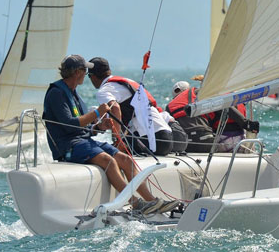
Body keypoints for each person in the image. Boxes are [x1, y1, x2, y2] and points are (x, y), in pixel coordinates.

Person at [43, 55, 178, 215]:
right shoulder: (56, 93)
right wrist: (97, 113)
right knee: (108, 161)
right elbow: (71, 124)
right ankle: (135, 203)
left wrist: (99, 126)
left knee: (125, 159)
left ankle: (152, 202)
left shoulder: (73, 93)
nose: (87, 73)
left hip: (82, 141)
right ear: (77, 72)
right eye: (84, 70)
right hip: (68, 146)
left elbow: (83, 127)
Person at [87, 57, 175, 156]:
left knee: (102, 150)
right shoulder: (125, 82)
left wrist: (117, 140)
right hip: (167, 138)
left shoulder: (104, 91)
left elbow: (115, 108)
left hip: (152, 142)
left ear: (92, 76)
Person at [168, 81, 259, 153]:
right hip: (210, 141)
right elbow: (223, 106)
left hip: (186, 145)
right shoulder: (200, 96)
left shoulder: (169, 106)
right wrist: (247, 123)